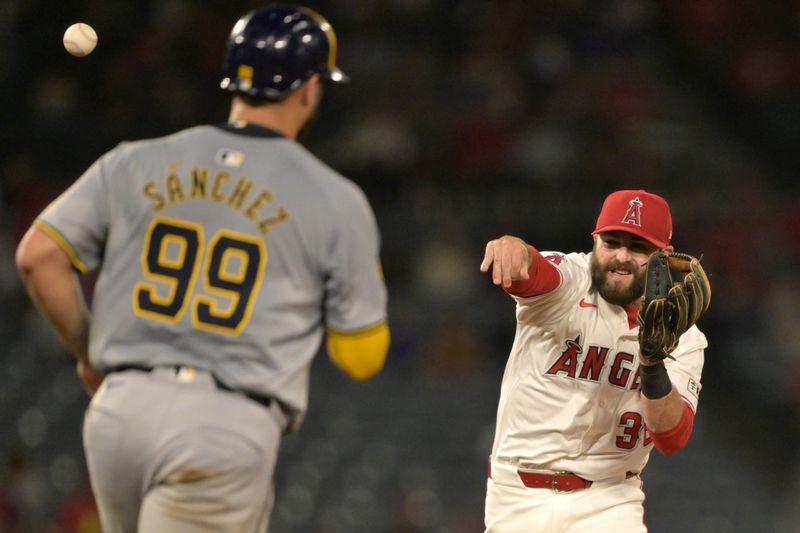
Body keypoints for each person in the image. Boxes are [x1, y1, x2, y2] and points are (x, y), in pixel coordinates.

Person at [15, 5, 389, 532]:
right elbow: (361, 356)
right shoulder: (335, 198)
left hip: (120, 411)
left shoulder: (137, 159)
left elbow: (38, 256)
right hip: (224, 423)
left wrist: (90, 352)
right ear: (309, 89)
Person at [479, 189, 707, 532]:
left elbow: (671, 437)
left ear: (665, 256)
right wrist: (514, 247)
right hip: (517, 497)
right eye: (611, 242)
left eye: (638, 247)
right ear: (595, 241)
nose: (621, 256)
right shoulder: (572, 279)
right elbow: (535, 272)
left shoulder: (684, 336)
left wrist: (652, 363)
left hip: (609, 500)